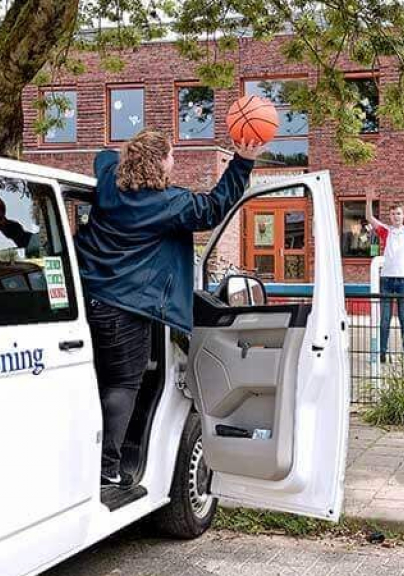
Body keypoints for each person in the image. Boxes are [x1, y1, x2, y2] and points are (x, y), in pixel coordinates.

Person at [75, 130, 263, 486]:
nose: (174, 162)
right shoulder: (167, 203)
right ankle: (106, 469)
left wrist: (125, 156)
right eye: (171, 156)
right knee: (123, 386)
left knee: (94, 380)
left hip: (89, 303)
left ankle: (85, 456)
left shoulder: (109, 187)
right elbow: (213, 207)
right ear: (159, 161)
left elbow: (103, 157)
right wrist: (243, 161)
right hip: (124, 310)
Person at [365, 185, 404, 366]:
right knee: (384, 319)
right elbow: (370, 217)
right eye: (393, 214)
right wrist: (369, 200)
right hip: (386, 279)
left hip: (403, 280)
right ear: (390, 216)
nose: (395, 217)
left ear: (403, 215)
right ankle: (382, 353)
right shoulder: (385, 230)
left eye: (399, 214)